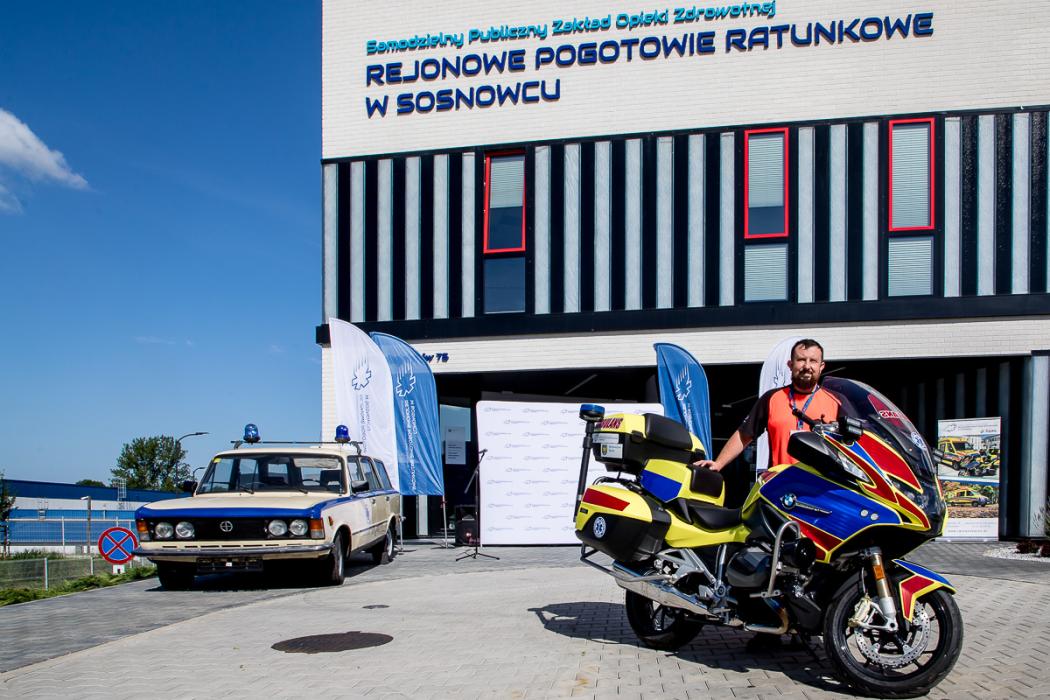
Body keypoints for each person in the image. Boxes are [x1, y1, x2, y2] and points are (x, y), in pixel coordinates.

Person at [695, 338, 841, 473]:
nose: (807, 366)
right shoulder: (772, 398)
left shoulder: (836, 402)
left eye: (813, 361)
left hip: (820, 486)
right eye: (801, 360)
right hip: (780, 484)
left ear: (821, 366)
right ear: (790, 365)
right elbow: (744, 434)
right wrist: (718, 463)